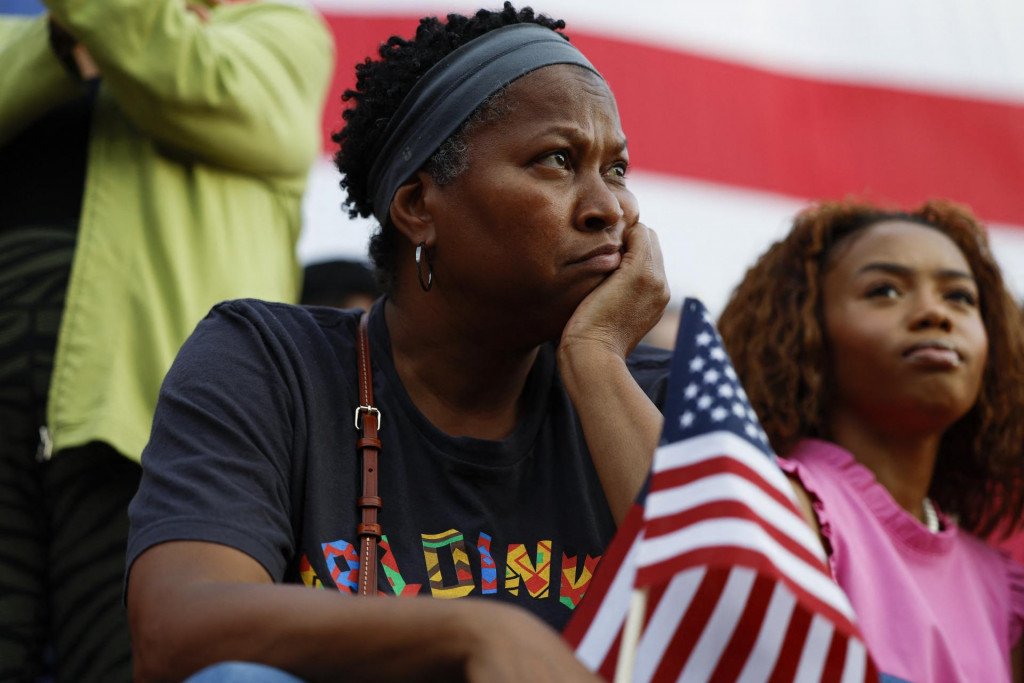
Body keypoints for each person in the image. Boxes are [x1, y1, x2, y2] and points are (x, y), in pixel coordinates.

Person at [125, 4, 671, 682]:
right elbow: (179, 627)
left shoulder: (653, 395)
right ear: (418, 206)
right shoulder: (267, 361)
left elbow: (752, 636)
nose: (609, 209)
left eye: (615, 169)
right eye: (557, 160)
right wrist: (475, 631)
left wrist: (594, 358)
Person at [0, 1, 333, 681]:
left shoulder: (280, 31)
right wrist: (65, 45)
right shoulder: (30, 37)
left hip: (158, 438)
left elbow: (195, 77)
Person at [718, 200, 1024, 682]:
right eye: (884, 290)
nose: (934, 314)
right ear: (807, 332)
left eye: (960, 298)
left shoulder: (1002, 590)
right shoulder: (779, 505)